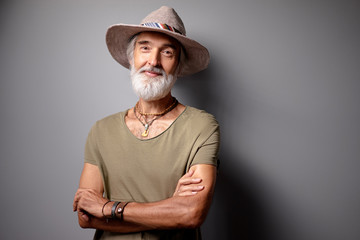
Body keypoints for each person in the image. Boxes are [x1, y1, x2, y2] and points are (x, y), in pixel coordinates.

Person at [73, 6, 220, 240]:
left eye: (167, 53)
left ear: (179, 66)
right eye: (145, 48)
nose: (153, 61)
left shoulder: (201, 126)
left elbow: (191, 213)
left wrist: (108, 208)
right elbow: (86, 217)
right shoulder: (101, 130)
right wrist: (170, 209)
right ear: (132, 57)